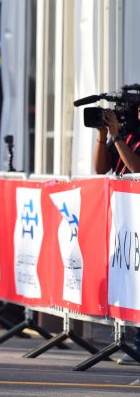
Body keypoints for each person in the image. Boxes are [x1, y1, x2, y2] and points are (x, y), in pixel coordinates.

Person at [94, 102, 140, 364]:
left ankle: (138, 342)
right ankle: (132, 339)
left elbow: (136, 169)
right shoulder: (128, 135)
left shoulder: (127, 137)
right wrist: (103, 136)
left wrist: (118, 136)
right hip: (125, 220)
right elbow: (100, 169)